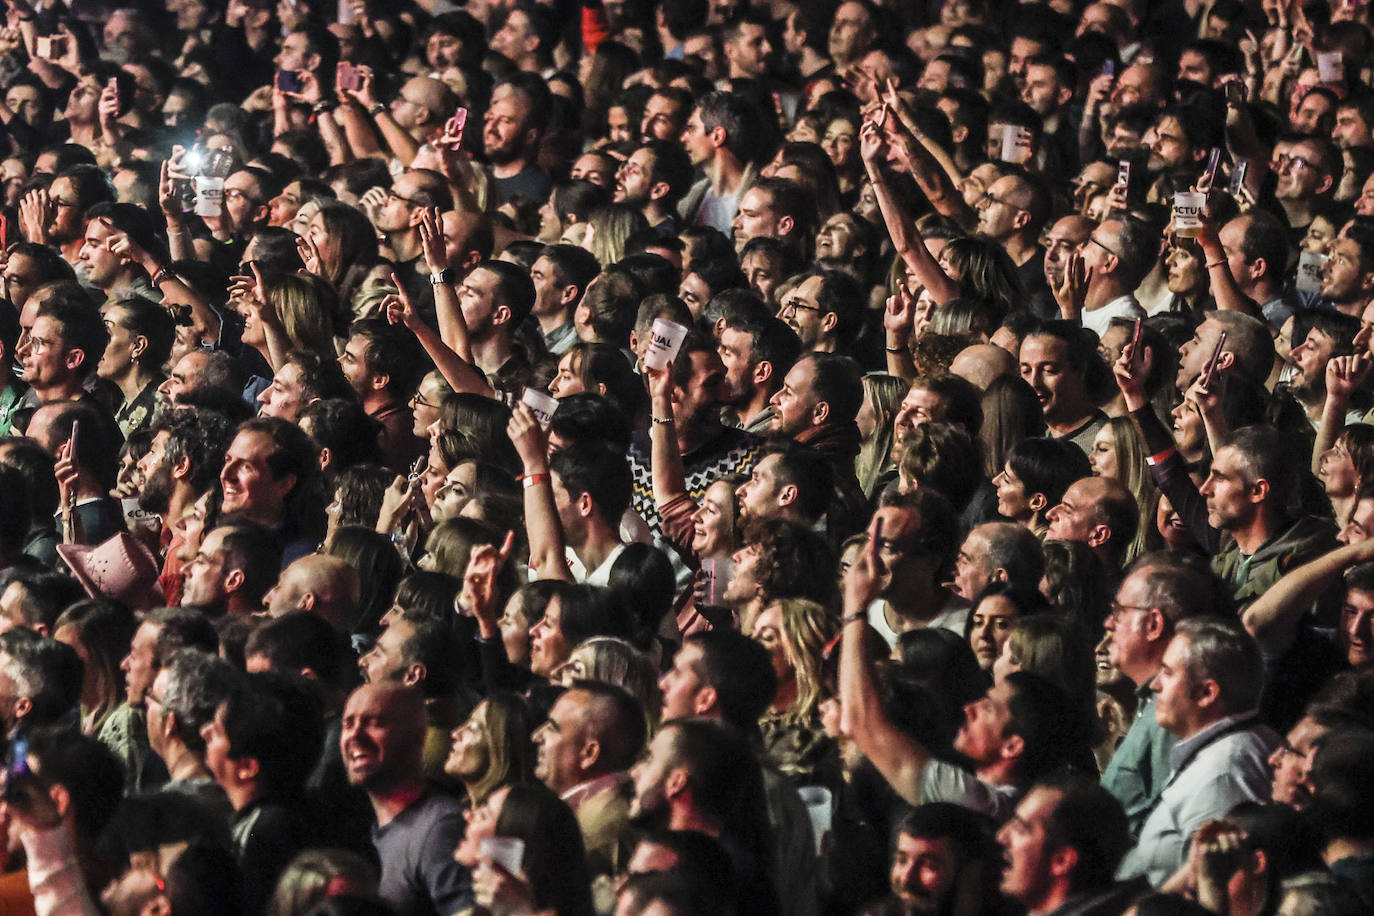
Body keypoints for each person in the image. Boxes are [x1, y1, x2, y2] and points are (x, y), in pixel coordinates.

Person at [1118, 618, 1278, 886]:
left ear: (1206, 693)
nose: (1155, 684)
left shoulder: (1226, 775)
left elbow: (1212, 889)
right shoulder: (1229, 751)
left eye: (1167, 673)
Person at [340, 681, 472, 915]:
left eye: (375, 723)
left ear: (418, 737)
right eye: (348, 724)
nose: (355, 735)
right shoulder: (365, 833)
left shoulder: (441, 830)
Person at [532, 680, 646, 876]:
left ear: (589, 753)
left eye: (551, 729)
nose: (536, 736)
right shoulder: (594, 810)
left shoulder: (599, 824)